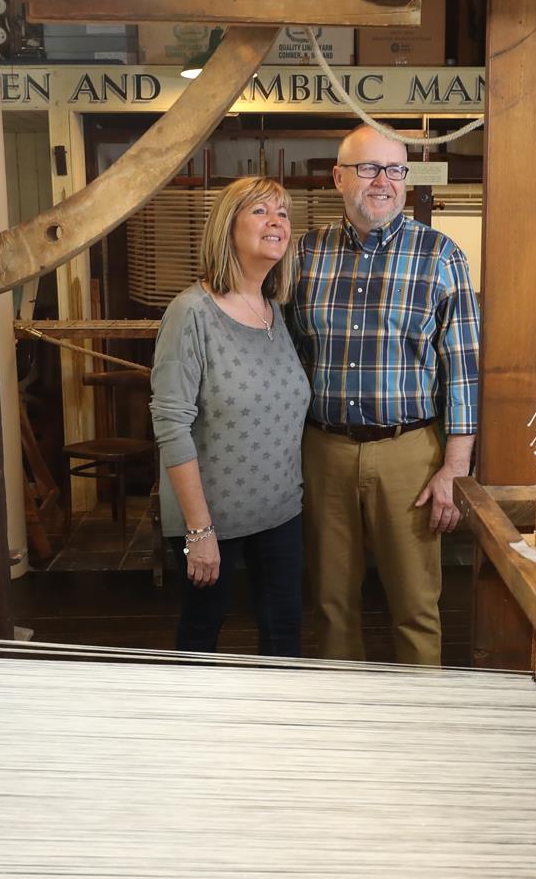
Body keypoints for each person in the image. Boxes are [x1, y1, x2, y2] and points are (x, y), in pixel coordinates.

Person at [286, 124, 480, 666]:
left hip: (409, 455)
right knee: (330, 605)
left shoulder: (441, 256)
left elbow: (462, 370)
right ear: (338, 177)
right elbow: (289, 353)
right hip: (323, 450)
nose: (383, 182)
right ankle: (342, 733)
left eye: (395, 170)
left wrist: (454, 468)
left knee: (416, 607)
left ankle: (418, 732)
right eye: (369, 168)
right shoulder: (305, 254)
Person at [149, 176, 310, 656]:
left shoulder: (275, 311)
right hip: (211, 521)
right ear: (227, 227)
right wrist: (199, 531)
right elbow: (171, 426)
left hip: (282, 513)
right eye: (260, 211)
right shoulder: (191, 313)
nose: (276, 221)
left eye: (282, 213)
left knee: (284, 641)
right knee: (201, 644)